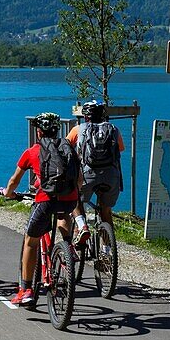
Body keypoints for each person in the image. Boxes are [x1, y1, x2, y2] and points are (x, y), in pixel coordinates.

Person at [4, 112, 81, 307]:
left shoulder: (32, 151)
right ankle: (67, 246)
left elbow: (14, 180)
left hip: (46, 200)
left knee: (31, 241)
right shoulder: (68, 149)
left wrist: (9, 193)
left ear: (38, 132)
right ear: (57, 130)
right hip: (70, 200)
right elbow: (79, 180)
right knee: (63, 214)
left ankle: (26, 289)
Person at [67, 100, 125, 241]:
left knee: (74, 200)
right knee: (106, 211)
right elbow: (121, 148)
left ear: (86, 116)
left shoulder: (78, 129)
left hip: (87, 175)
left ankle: (82, 227)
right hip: (111, 176)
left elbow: (65, 147)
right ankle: (106, 249)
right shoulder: (113, 129)